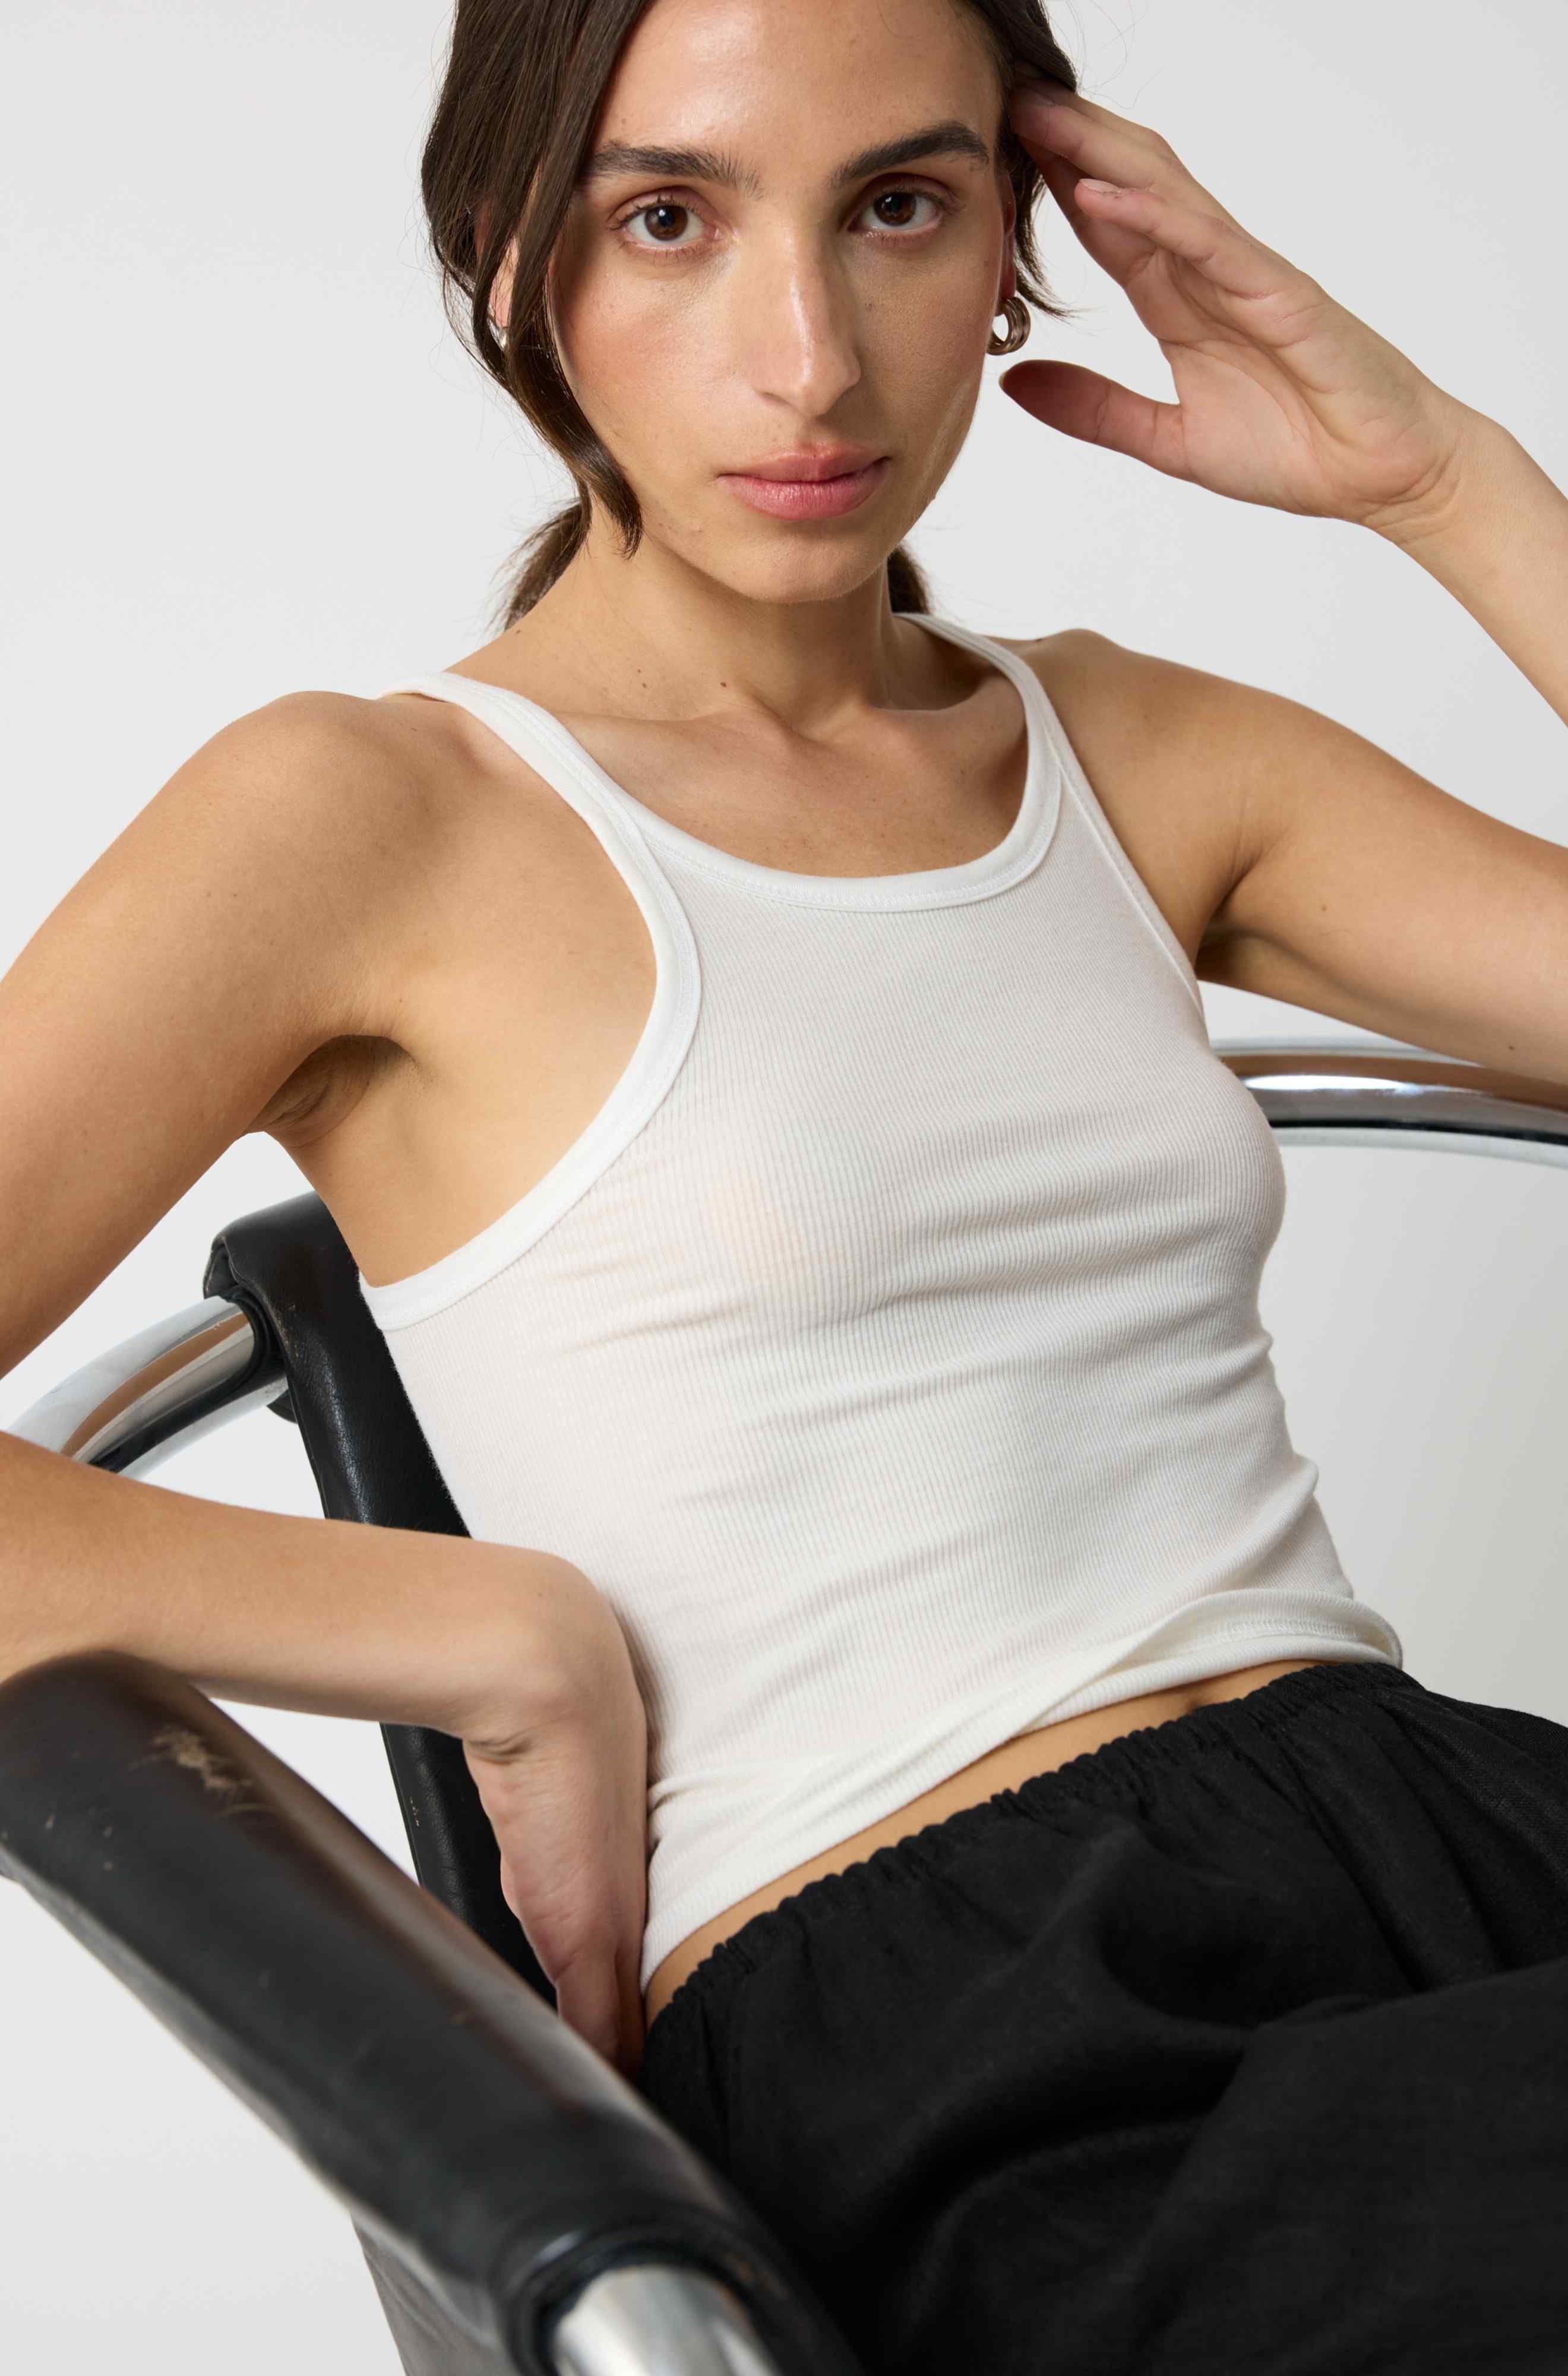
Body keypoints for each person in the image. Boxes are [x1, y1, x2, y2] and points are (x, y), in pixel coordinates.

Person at [5, 0, 1568, 2366]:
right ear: (509, 262)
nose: (810, 355)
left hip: (1450, 1848)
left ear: (1022, 245)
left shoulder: (1133, 747)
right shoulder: (367, 815)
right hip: (980, 2045)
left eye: (903, 208)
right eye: (671, 217)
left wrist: (1440, 478)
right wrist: (486, 1633)